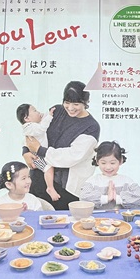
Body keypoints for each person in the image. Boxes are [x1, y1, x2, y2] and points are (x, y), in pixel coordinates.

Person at [23, 81, 100, 210]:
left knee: (62, 220)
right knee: (35, 215)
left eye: (76, 104)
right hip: (39, 176)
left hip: (64, 188)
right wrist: (25, 151)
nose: (70, 108)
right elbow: (34, 130)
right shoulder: (56, 111)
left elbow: (72, 156)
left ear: (86, 103)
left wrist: (39, 150)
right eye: (67, 102)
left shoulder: (91, 127)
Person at [80, 141, 140, 210]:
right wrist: (106, 198)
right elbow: (83, 199)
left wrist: (118, 198)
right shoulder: (92, 181)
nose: (108, 167)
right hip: (99, 216)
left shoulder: (127, 181)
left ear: (120, 161)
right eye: (103, 163)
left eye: (112, 163)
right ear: (97, 161)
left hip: (121, 216)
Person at [16, 103, 60, 202]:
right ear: (27, 118)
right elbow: (42, 129)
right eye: (35, 111)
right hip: (36, 156)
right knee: (48, 168)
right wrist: (49, 116)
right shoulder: (30, 127)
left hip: (38, 153)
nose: (38, 112)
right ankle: (50, 188)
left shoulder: (31, 126)